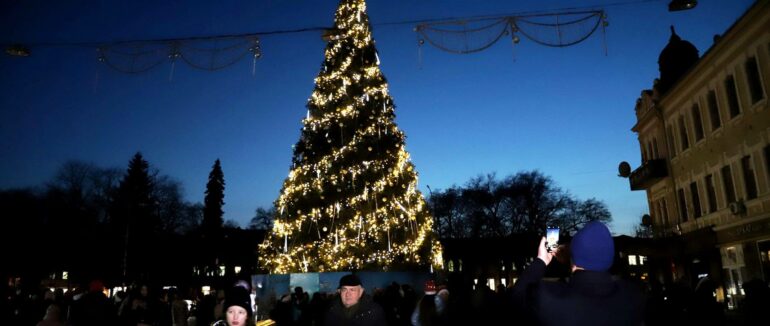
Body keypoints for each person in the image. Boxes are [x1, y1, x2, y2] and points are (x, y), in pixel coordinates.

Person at [511, 221, 645, 326]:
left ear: (573, 260)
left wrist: (541, 260)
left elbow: (517, 297)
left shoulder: (548, 298)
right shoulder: (632, 296)